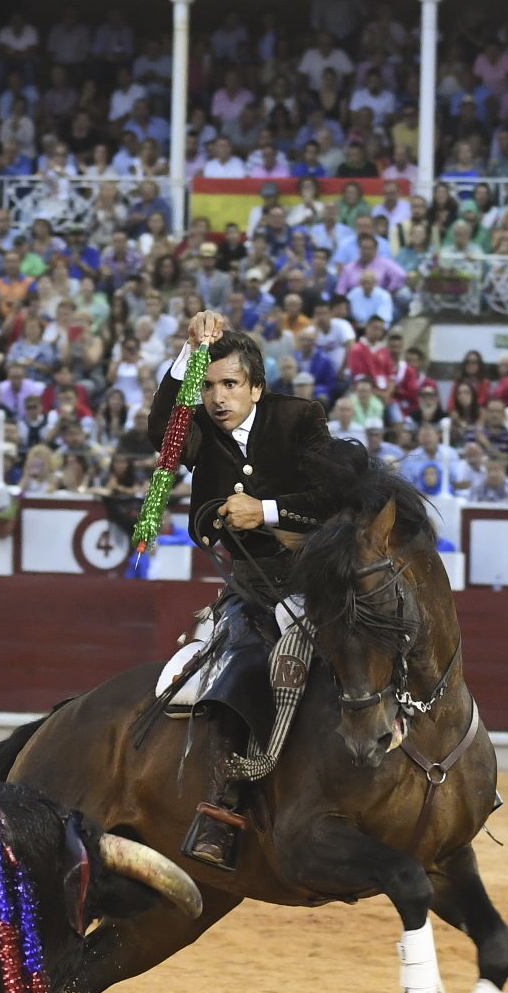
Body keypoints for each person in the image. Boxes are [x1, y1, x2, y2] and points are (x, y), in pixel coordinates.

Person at [146, 308, 333, 871]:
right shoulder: (199, 435)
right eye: (208, 386)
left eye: (230, 385)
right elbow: (164, 436)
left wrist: (266, 511)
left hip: (319, 575)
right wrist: (188, 353)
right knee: (240, 668)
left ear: (256, 387)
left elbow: (333, 496)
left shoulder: (299, 419)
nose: (217, 397)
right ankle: (223, 808)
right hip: (255, 586)